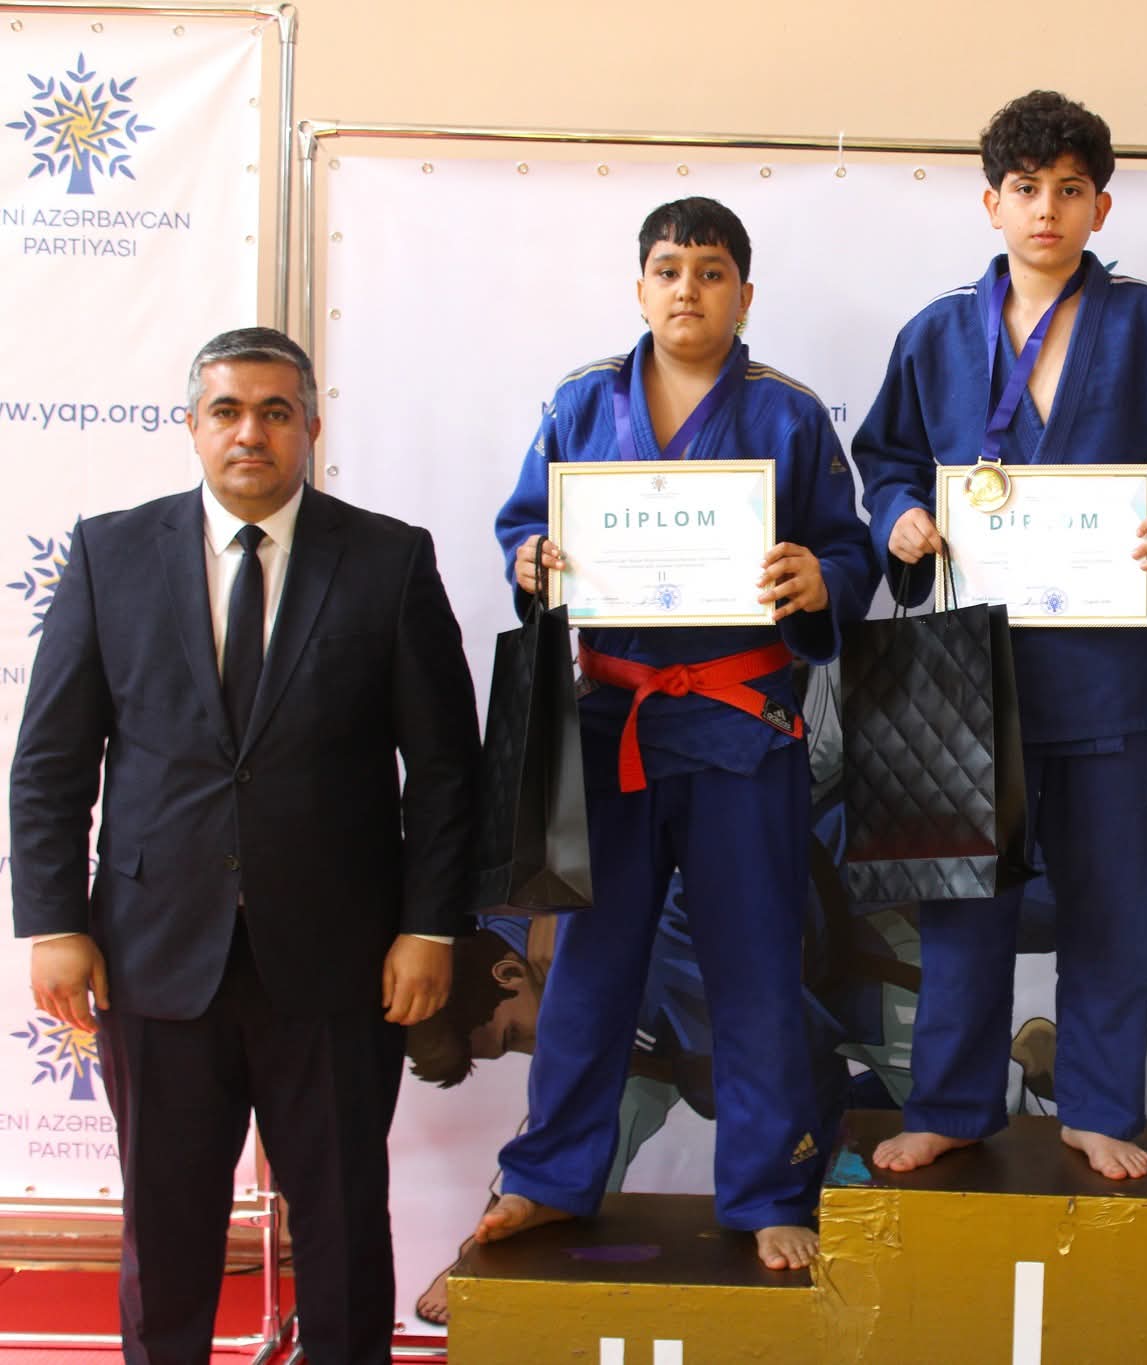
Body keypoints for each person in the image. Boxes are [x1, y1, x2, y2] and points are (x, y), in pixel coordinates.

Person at [9, 327, 479, 1364]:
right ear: (192, 426)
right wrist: (52, 923)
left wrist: (429, 926)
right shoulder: (109, 555)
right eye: (226, 410)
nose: (250, 433)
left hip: (341, 960)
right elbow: (49, 763)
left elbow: (448, 770)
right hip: (153, 953)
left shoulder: (389, 559)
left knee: (343, 1224)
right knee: (168, 1229)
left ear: (311, 426)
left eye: (275, 411)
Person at [851, 89, 1147, 1181]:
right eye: (1025, 189)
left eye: (1069, 190)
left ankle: (1099, 1103)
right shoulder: (937, 333)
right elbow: (886, 460)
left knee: (1108, 902)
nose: (1045, 210)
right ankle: (951, 1103)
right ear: (991, 202)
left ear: (1100, 207)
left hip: (1101, 670)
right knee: (961, 906)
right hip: (966, 674)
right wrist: (901, 518)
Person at [482, 196, 876, 1271]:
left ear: (744, 293)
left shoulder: (788, 414)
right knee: (590, 967)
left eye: (710, 271)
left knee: (754, 967)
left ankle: (767, 1191)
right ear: (639, 287)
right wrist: (529, 560)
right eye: (667, 269)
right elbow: (525, 523)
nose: (687, 289)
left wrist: (819, 578)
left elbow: (848, 551)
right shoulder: (579, 403)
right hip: (611, 720)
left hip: (741, 726)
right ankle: (548, 1177)